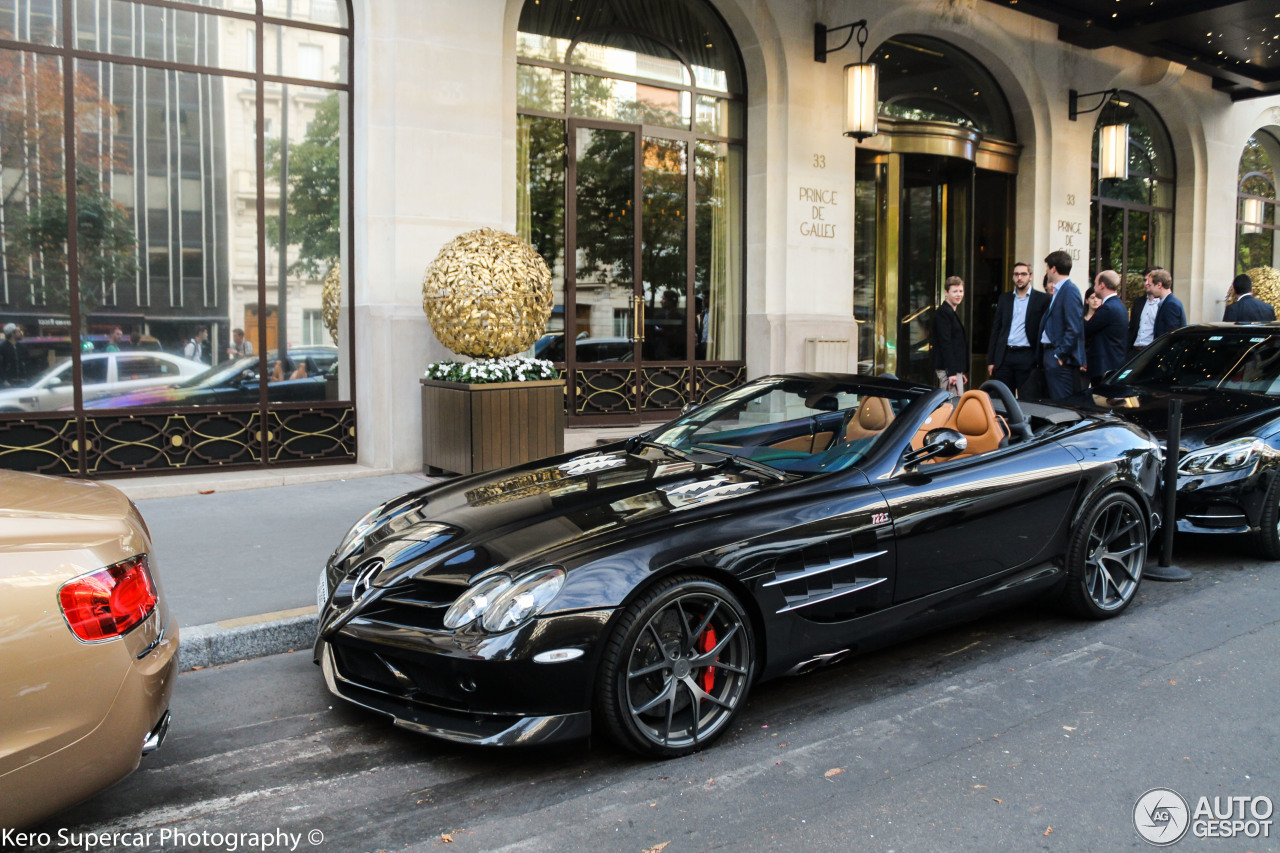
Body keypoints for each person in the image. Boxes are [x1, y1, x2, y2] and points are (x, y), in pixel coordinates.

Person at [987, 261, 1049, 395]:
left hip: (1027, 356)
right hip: (1005, 356)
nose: (1019, 278)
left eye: (1023, 274)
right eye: (1016, 274)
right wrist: (991, 360)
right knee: (1002, 398)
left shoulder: (1042, 299)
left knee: (1027, 399)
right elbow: (996, 330)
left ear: (1030, 276)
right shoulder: (1004, 298)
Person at [1037, 250, 1085, 400]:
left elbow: (1074, 327)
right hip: (1051, 356)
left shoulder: (1070, 291)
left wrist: (1060, 355)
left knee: (1062, 404)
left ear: (1053, 269)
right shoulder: (1060, 291)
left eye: (1047, 268)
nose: (1046, 271)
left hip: (1059, 359)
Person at [1127, 267, 1185, 357]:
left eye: (1150, 285)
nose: (1147, 286)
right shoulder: (1167, 302)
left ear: (1159, 285)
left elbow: (1169, 336)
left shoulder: (1170, 304)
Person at [1084, 269, 1128, 383]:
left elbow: (1087, 329)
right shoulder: (1120, 306)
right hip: (1114, 364)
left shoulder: (1108, 308)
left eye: (1095, 284)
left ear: (1102, 285)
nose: (1094, 287)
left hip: (1104, 367)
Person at [932, 275, 968, 395]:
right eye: (955, 291)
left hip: (954, 371)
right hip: (948, 371)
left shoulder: (950, 312)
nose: (958, 294)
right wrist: (952, 372)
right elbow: (945, 343)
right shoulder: (943, 313)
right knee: (951, 407)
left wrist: (960, 372)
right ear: (946, 293)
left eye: (961, 291)